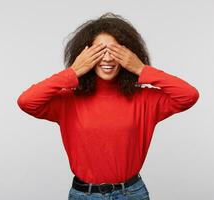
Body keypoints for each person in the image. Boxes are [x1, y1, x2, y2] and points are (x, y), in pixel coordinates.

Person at [17, 12, 199, 200]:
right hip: (84, 195)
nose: (107, 59)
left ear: (128, 54)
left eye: (115, 51)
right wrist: (74, 71)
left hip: (131, 193)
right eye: (99, 52)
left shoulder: (144, 99)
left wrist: (140, 68)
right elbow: (27, 101)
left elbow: (188, 95)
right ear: (84, 55)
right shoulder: (68, 101)